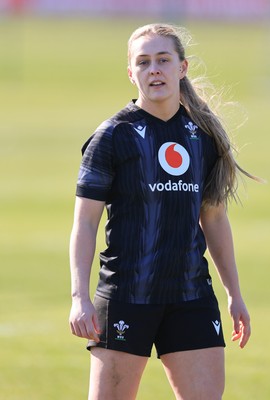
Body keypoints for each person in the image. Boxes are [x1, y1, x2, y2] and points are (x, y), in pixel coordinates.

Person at [69, 23, 253, 400]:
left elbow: (214, 217)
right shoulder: (112, 136)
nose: (154, 69)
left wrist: (234, 293)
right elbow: (85, 222)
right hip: (126, 296)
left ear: (181, 68)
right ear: (131, 73)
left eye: (163, 60)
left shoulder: (203, 136)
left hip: (190, 298)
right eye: (144, 62)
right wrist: (79, 297)